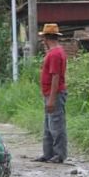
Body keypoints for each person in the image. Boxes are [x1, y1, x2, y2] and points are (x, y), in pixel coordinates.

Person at [34, 23, 68, 164]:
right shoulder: (55, 52)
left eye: (43, 38)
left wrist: (52, 99)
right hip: (50, 93)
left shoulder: (54, 54)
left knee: (56, 125)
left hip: (54, 93)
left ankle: (59, 154)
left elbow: (55, 76)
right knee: (49, 125)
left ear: (47, 38)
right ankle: (48, 153)